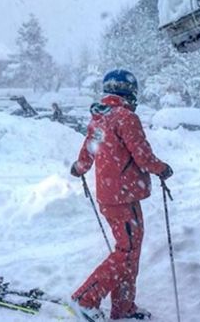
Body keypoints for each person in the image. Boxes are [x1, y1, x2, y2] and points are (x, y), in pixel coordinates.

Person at [69, 69, 173, 321]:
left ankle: (123, 309)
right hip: (124, 198)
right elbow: (142, 155)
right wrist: (162, 169)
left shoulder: (100, 117)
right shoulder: (126, 117)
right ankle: (85, 299)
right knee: (126, 253)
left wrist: (79, 167)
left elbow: (88, 151)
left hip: (109, 196)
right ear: (129, 92)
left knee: (129, 252)